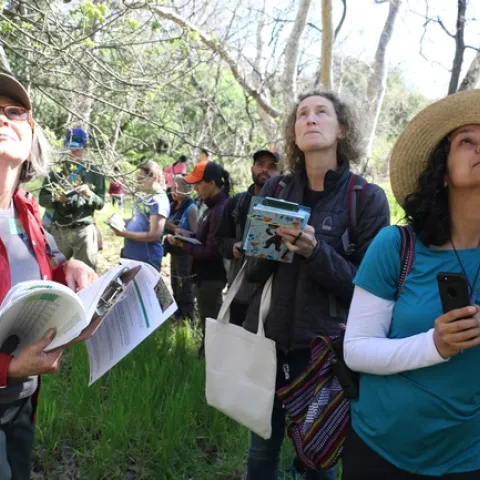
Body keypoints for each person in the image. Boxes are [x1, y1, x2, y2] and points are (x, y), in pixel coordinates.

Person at [242, 91, 390, 480]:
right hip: (270, 345)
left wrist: (313, 250)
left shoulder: (367, 198)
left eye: (321, 112)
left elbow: (368, 290)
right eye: (302, 113)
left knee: (318, 461)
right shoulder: (275, 191)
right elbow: (254, 273)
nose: (310, 119)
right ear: (294, 132)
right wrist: (263, 246)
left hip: (325, 355)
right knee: (260, 452)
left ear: (342, 129)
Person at [342, 90, 480, 479]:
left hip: (468, 456)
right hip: (382, 449)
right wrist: (435, 346)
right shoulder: (397, 246)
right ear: (442, 168)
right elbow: (356, 351)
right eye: (467, 140)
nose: (479, 148)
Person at [0, 73, 96, 480]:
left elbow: (32, 280)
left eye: (14, 112)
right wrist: (6, 367)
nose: (3, 119)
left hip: (21, 402)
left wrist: (67, 270)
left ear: (31, 133)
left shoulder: (27, 215)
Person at [166, 161, 230, 348]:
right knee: (207, 324)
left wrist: (183, 245)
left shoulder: (219, 209)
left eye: (198, 183)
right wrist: (187, 236)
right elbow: (204, 238)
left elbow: (212, 251)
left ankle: (211, 361)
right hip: (204, 276)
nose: (194, 188)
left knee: (212, 327)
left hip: (212, 277)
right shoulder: (210, 206)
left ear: (211, 183)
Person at [214, 149, 281, 326]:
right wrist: (232, 247)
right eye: (260, 164)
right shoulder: (237, 202)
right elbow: (219, 239)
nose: (264, 170)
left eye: (272, 166)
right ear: (252, 168)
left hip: (273, 298)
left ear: (281, 172)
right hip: (239, 292)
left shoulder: (286, 207)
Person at [39, 127, 106, 271]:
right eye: (69, 148)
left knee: (87, 274)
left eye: (77, 149)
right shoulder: (56, 171)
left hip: (84, 231)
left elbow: (100, 203)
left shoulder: (95, 171)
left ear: (85, 147)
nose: (72, 152)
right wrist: (57, 198)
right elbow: (42, 198)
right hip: (59, 230)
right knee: (54, 272)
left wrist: (90, 195)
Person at [112, 161, 169, 270]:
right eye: (137, 178)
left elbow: (154, 235)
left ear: (154, 178)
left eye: (141, 178)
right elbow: (137, 220)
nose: (138, 182)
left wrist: (125, 234)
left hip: (146, 260)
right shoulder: (144, 197)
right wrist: (118, 221)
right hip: (130, 256)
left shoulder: (158, 201)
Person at [164, 175, 198, 322]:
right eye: (173, 186)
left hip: (186, 253)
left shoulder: (191, 208)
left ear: (187, 190)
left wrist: (178, 231)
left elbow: (196, 234)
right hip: (174, 251)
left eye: (179, 187)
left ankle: (187, 317)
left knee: (185, 284)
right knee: (175, 282)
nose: (174, 190)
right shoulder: (172, 205)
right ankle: (177, 313)